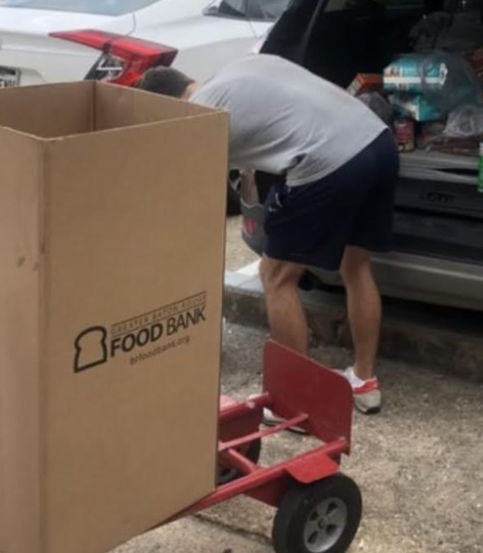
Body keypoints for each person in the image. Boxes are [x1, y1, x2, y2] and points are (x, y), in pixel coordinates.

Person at [137, 55, 398, 414]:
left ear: (164, 104)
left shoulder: (198, 115)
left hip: (330, 159)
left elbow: (190, 199)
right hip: (377, 140)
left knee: (275, 277)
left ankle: (297, 401)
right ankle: (364, 380)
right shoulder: (238, 68)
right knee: (356, 265)